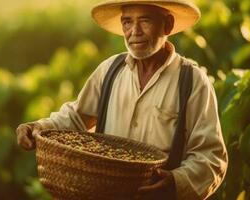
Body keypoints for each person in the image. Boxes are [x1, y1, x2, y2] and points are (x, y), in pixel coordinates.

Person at [15, 0, 228, 199]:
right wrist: (39, 127)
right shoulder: (110, 70)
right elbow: (76, 117)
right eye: (127, 22)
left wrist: (174, 183)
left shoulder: (192, 81)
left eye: (145, 20)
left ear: (168, 25)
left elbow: (211, 157)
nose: (134, 32)